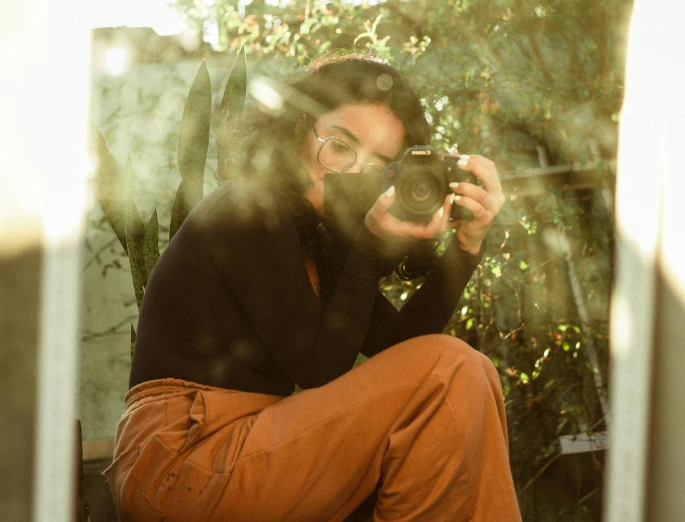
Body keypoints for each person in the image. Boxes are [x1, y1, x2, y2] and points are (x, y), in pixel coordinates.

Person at [105, 53, 521, 522]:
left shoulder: (313, 238)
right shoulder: (246, 206)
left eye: (375, 165)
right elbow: (319, 368)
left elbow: (403, 353)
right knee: (455, 366)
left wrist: (467, 246)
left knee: (473, 371)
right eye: (340, 146)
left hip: (246, 449)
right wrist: (371, 242)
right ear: (299, 128)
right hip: (183, 461)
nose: (347, 172)